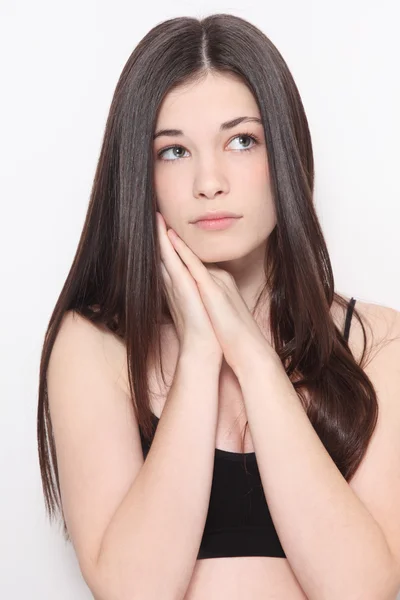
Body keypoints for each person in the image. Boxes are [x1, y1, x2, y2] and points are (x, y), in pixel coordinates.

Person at [37, 13, 400, 600]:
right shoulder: (94, 347)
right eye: (174, 151)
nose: (210, 181)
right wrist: (202, 352)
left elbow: (361, 590)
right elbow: (135, 591)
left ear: (285, 154)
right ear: (140, 176)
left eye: (241, 141)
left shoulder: (378, 343)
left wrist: (254, 360)